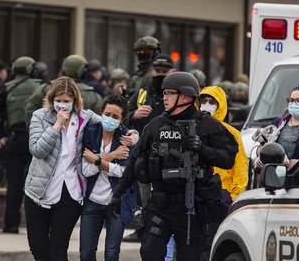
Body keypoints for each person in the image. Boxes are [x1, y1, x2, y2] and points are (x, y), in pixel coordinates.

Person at [111, 71, 238, 261]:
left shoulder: (207, 125)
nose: (165, 98)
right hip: (159, 205)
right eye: (164, 93)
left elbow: (228, 159)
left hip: (192, 207)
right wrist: (118, 194)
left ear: (185, 96)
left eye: (170, 93)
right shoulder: (155, 125)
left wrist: (202, 149)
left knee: (190, 256)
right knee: (149, 253)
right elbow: (134, 162)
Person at [24, 77, 138, 261]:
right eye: (59, 100)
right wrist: (57, 126)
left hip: (70, 192)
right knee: (37, 247)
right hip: (39, 191)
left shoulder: (85, 117)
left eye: (67, 101)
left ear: (75, 101)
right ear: (52, 99)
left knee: (58, 248)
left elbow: (112, 122)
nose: (62, 105)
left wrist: (134, 135)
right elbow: (37, 150)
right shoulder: (40, 116)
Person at [0, 56, 45, 233]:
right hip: (37, 139)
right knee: (38, 184)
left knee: (14, 184)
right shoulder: (41, 87)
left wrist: (1, 135)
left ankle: (10, 224)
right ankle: (37, 226)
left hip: (14, 139)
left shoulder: (7, 88)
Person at [123, 54, 176, 243]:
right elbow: (121, 115)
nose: (159, 75)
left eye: (164, 71)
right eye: (157, 71)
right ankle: (141, 228)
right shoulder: (142, 93)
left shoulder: (177, 93)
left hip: (171, 153)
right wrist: (134, 114)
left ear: (172, 72)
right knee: (142, 192)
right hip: (144, 152)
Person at [79, 94, 136, 261]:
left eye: (115, 116)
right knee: (86, 254)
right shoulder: (91, 133)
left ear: (122, 119)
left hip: (117, 203)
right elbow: (87, 170)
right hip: (92, 201)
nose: (110, 119)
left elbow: (125, 173)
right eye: (107, 114)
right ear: (101, 112)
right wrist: (112, 156)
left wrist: (97, 160)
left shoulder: (126, 138)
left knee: (112, 254)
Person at [198, 86, 248, 259]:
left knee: (212, 243)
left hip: (221, 196)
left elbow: (241, 168)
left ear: (221, 105)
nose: (206, 105)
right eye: (203, 101)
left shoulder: (231, 133)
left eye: (212, 102)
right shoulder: (193, 128)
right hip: (196, 195)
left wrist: (233, 196)